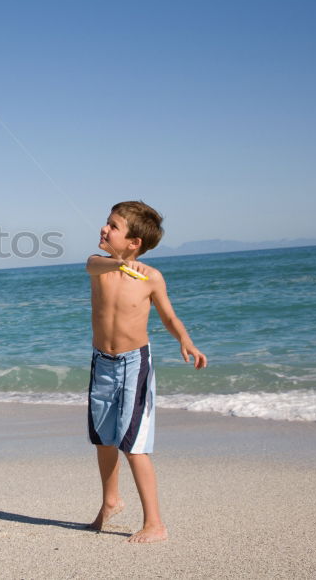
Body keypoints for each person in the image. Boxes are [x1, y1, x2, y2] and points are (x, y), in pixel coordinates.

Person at [85, 200, 207, 543]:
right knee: (103, 438)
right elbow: (93, 265)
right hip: (101, 363)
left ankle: (155, 523)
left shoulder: (151, 277)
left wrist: (185, 340)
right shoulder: (100, 265)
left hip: (133, 364)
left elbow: (168, 316)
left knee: (133, 443)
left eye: (113, 226)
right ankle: (111, 501)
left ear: (134, 242)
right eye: (106, 222)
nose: (104, 229)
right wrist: (119, 264)